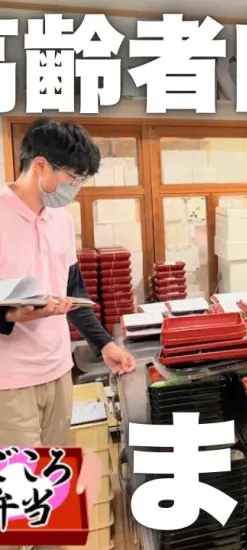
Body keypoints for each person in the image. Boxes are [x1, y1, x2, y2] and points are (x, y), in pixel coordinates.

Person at [0, 119, 136, 454]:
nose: (76, 188)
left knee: (54, 473)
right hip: (9, 382)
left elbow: (74, 291)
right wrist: (12, 316)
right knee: (22, 479)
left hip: (59, 370)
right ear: (41, 165)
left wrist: (105, 345)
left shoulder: (61, 219)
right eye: (73, 178)